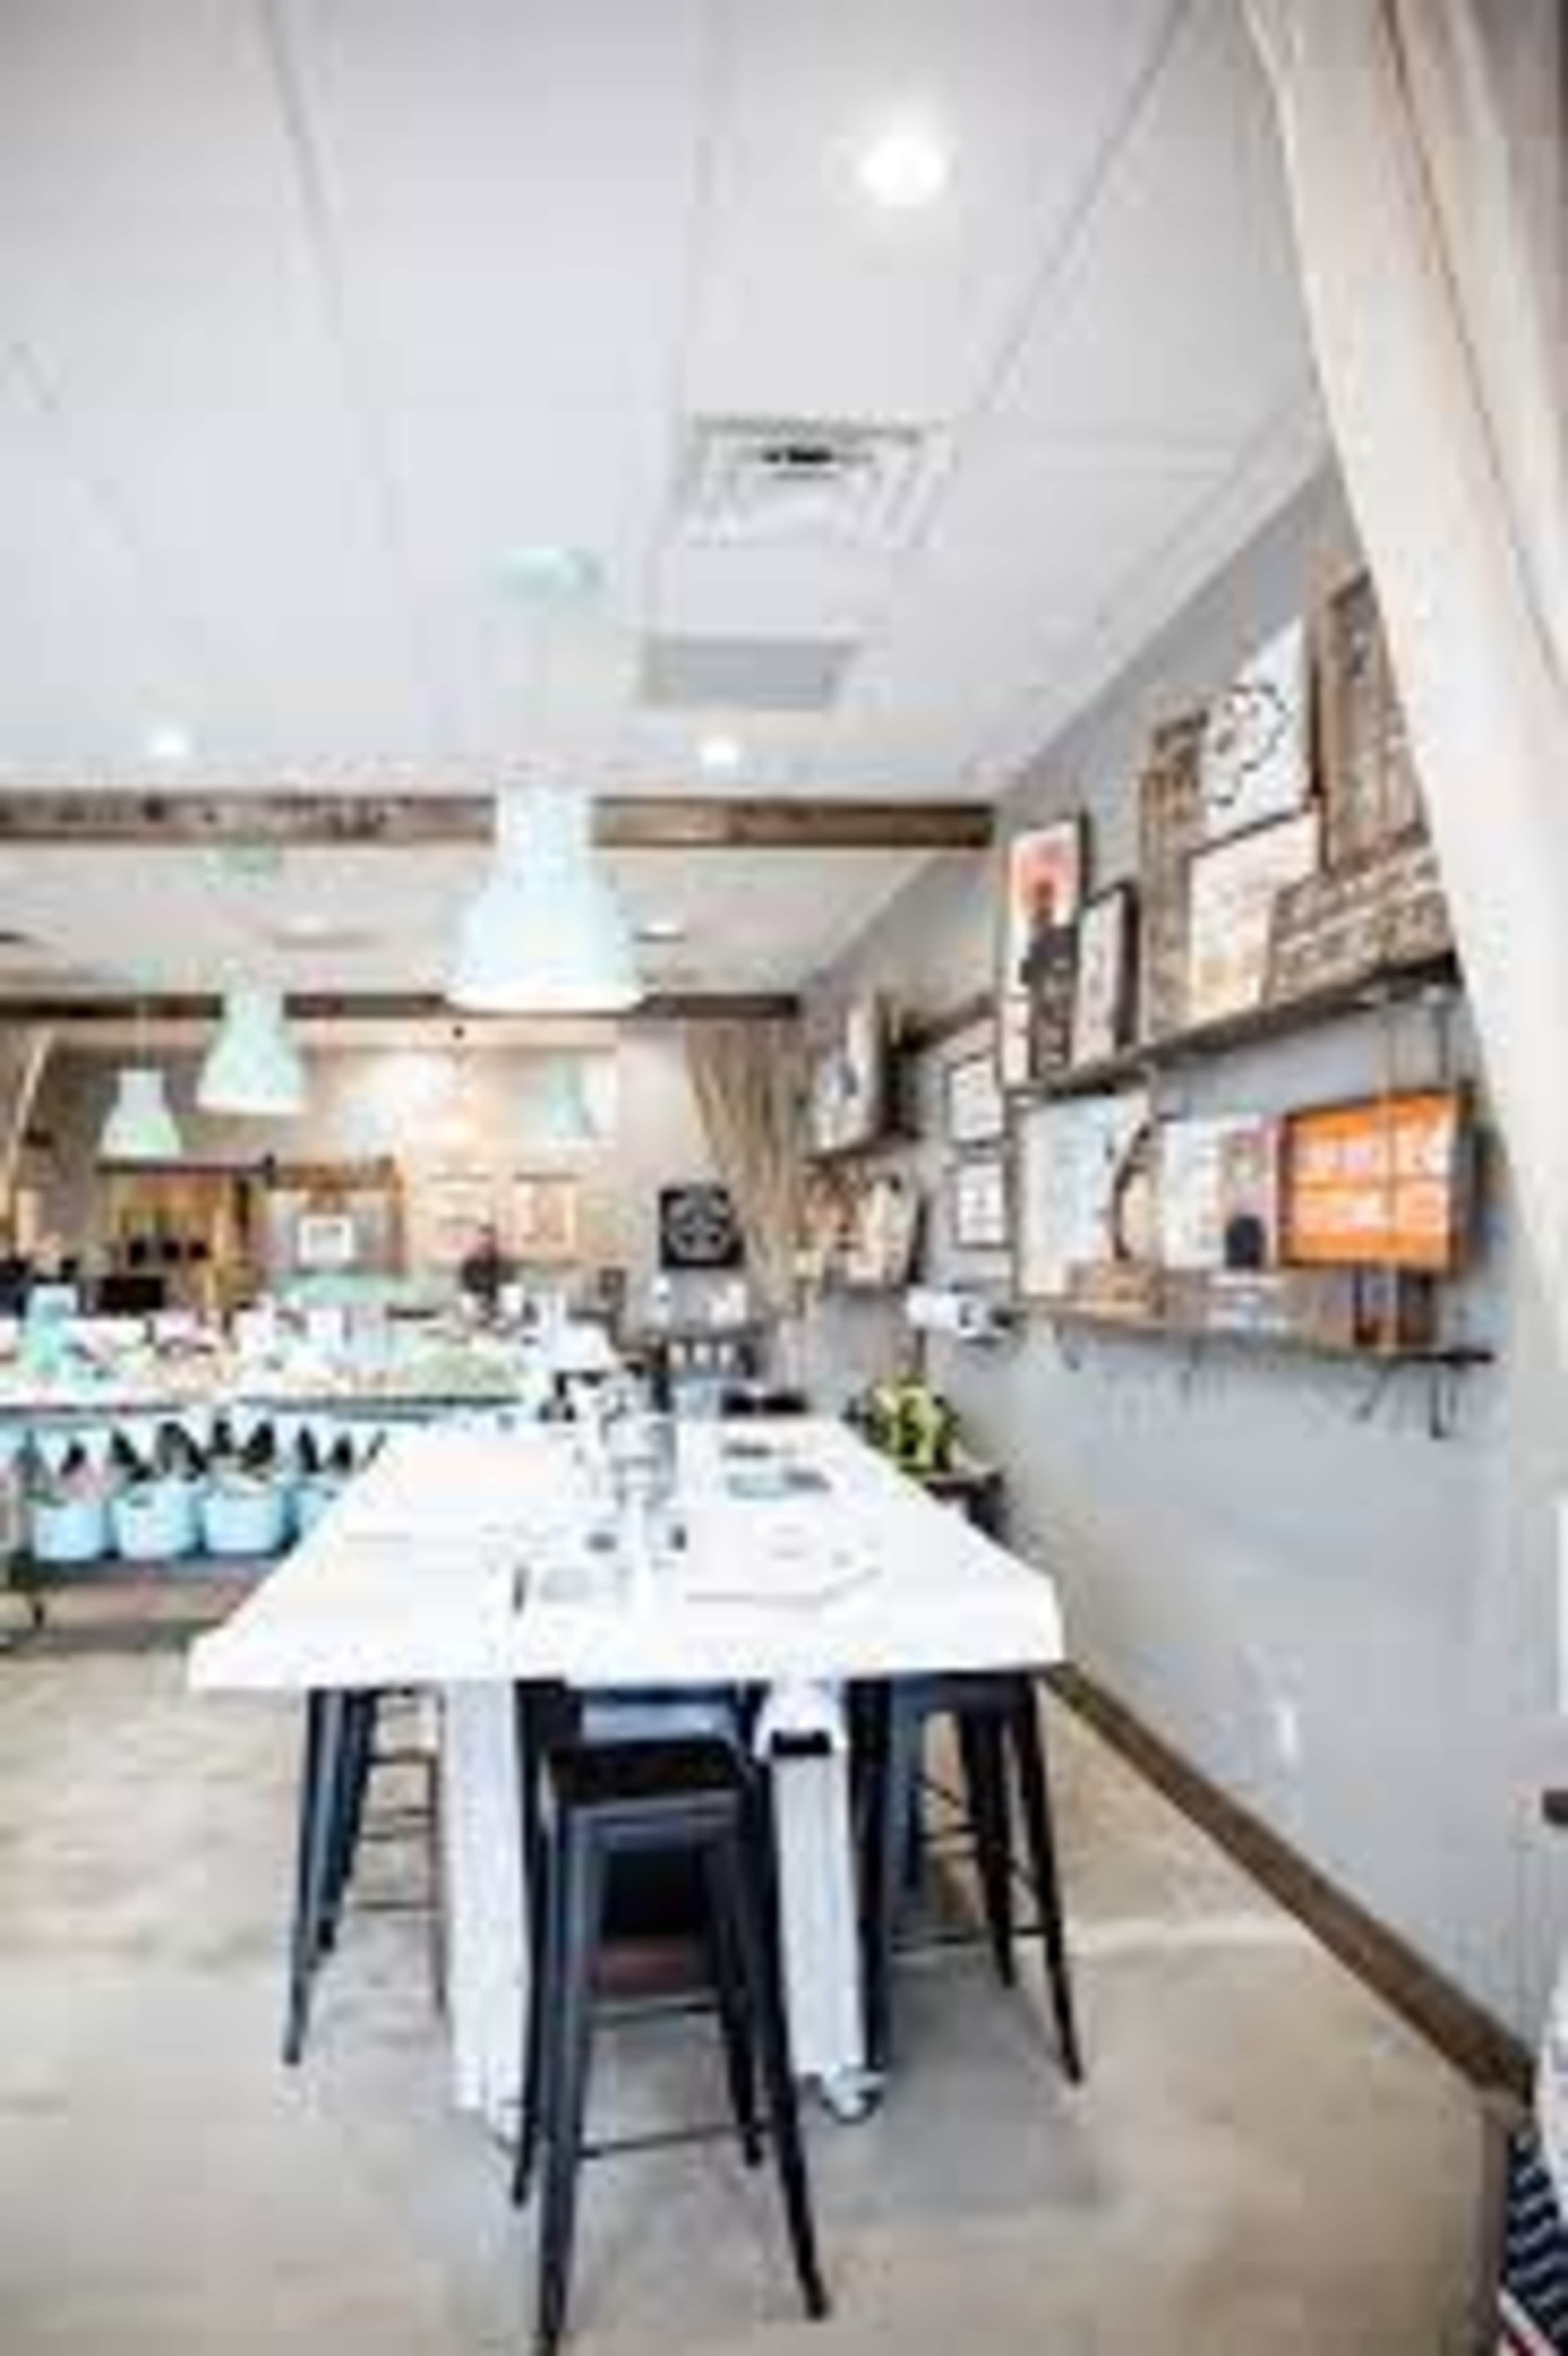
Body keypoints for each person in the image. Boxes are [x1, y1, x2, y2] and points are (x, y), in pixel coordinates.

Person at [457, 1222, 510, 1318]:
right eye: (482, 1246)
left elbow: (507, 1288)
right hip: (475, 1304)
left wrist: (497, 1306)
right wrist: (478, 1304)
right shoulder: (469, 1265)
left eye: (489, 1246)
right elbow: (465, 1290)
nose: (485, 1250)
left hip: (498, 1305)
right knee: (468, 1304)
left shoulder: (503, 1264)